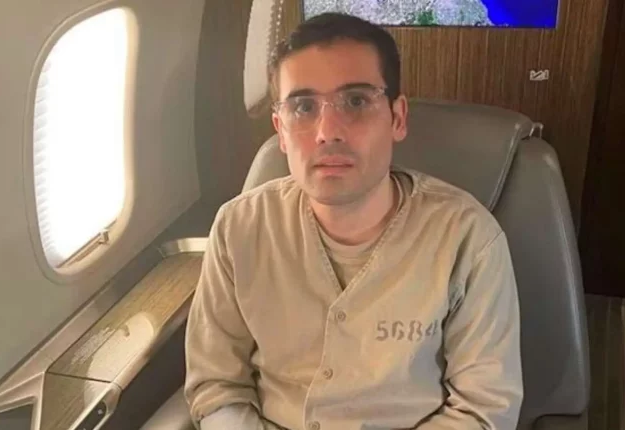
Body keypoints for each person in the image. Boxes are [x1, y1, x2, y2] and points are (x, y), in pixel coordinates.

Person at [184, 12, 523, 430]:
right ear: (281, 131)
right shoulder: (237, 229)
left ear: (398, 118)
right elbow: (216, 385)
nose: (328, 131)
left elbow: (482, 410)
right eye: (303, 107)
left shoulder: (468, 239)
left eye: (357, 101)